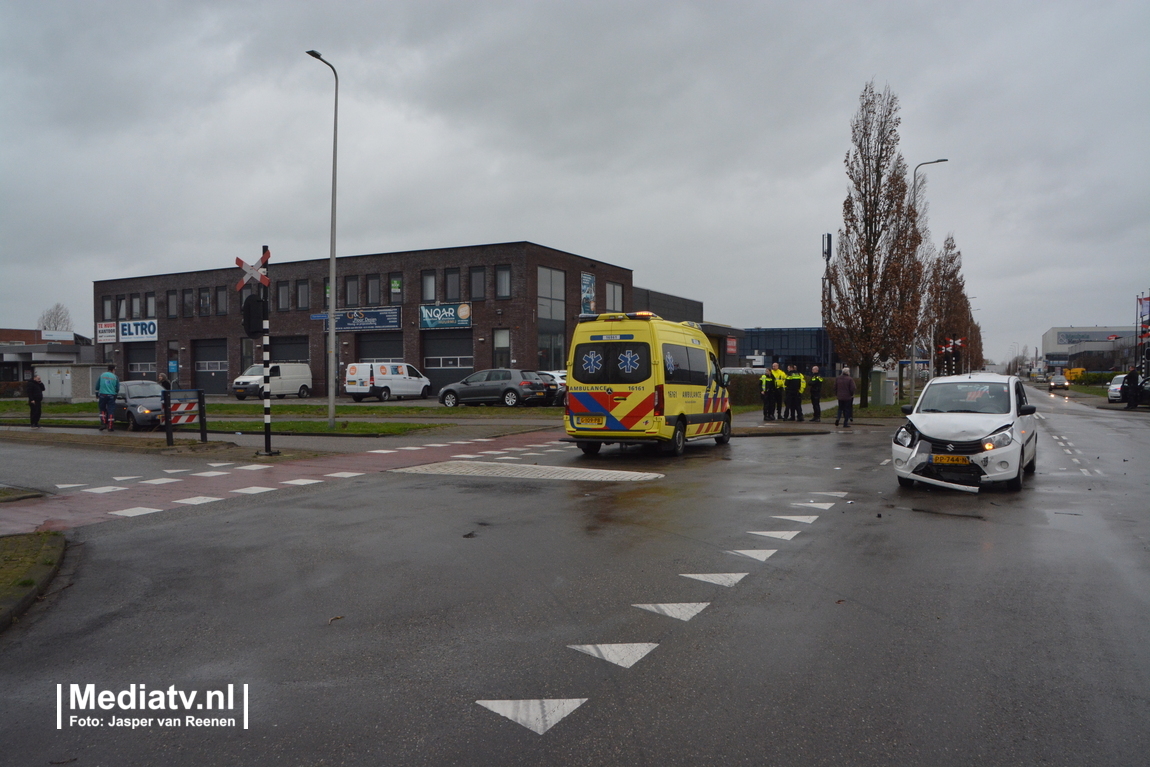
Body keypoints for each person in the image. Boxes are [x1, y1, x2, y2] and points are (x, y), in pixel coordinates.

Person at [95, 364, 119, 432]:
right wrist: (116, 394)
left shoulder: (102, 375)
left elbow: (97, 386)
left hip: (102, 395)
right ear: (113, 369)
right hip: (111, 395)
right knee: (111, 410)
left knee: (102, 409)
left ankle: (103, 423)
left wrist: (97, 394)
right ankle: (110, 426)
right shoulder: (115, 377)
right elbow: (117, 388)